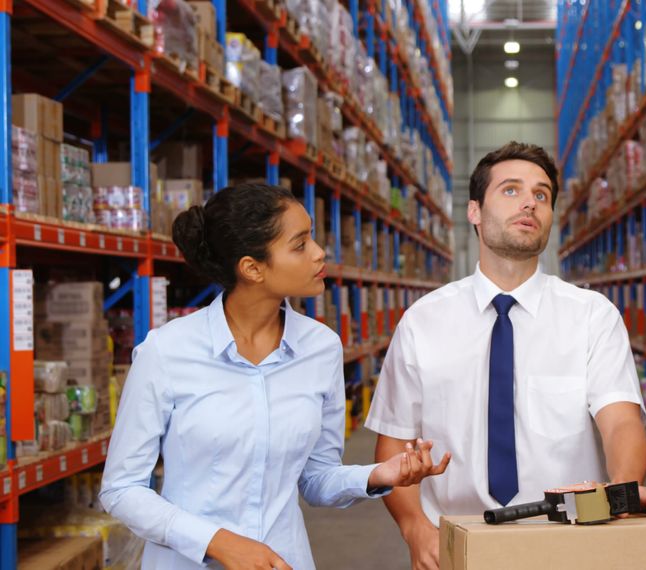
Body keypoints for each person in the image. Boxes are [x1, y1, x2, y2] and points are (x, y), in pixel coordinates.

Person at [366, 142, 646, 570]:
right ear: (474, 211)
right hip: (458, 543)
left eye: (541, 195)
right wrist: (414, 529)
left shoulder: (591, 316)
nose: (530, 204)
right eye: (511, 190)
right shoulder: (423, 322)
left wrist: (622, 491)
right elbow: (393, 441)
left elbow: (621, 422)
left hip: (571, 542)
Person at [100, 183, 450, 570]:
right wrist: (217, 542)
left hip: (285, 561)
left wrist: (379, 474)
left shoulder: (321, 348)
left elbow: (316, 478)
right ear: (252, 268)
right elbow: (122, 489)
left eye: (312, 237)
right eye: (300, 244)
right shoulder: (167, 352)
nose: (319, 253)